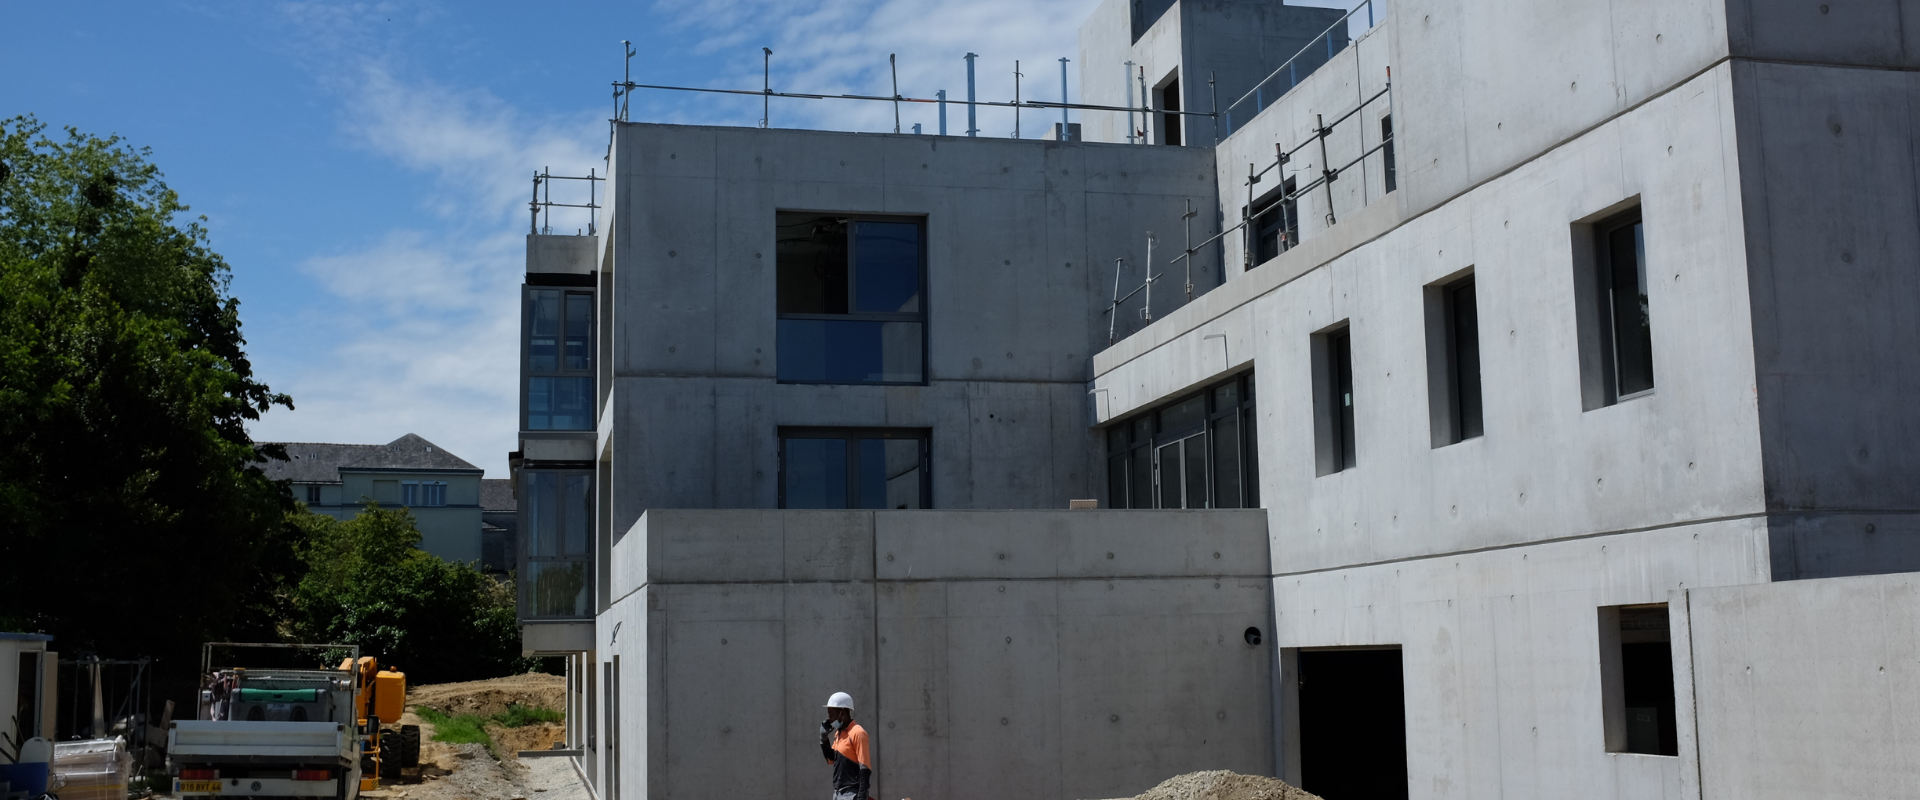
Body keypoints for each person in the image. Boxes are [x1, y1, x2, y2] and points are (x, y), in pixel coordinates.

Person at [819, 692, 874, 800]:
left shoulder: (857, 733)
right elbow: (831, 759)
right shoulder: (839, 734)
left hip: (852, 793)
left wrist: (861, 797)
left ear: (842, 713)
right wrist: (824, 739)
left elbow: (865, 768)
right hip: (839, 793)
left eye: (832, 714)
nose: (829, 719)